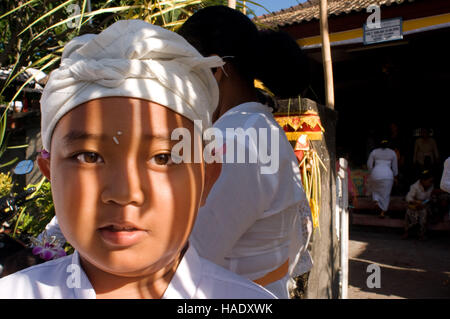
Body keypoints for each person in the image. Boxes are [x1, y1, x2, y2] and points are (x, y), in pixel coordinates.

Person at [33, 6, 313, 299]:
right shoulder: (259, 128)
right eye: (89, 156)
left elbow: (177, 248)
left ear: (214, 72)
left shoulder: (236, 139)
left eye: (163, 158)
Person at [178, 6, 313, 299]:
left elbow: (184, 257)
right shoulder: (252, 128)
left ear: (215, 71)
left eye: (183, 72)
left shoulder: (236, 141)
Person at [367, 139, 398, 218]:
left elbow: (369, 164)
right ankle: (382, 212)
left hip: (376, 173)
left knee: (376, 190)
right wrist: (395, 175)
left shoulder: (374, 152)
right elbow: (395, 167)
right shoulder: (392, 153)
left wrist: (372, 172)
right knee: (385, 194)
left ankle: (376, 200)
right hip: (387, 175)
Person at [403, 170, 434, 240]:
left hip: (424, 205)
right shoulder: (415, 186)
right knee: (410, 212)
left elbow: (429, 198)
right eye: (429, 181)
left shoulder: (431, 187)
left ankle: (422, 233)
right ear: (423, 180)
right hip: (415, 204)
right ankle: (407, 231)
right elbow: (408, 198)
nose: (430, 183)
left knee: (424, 213)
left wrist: (424, 203)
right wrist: (416, 202)